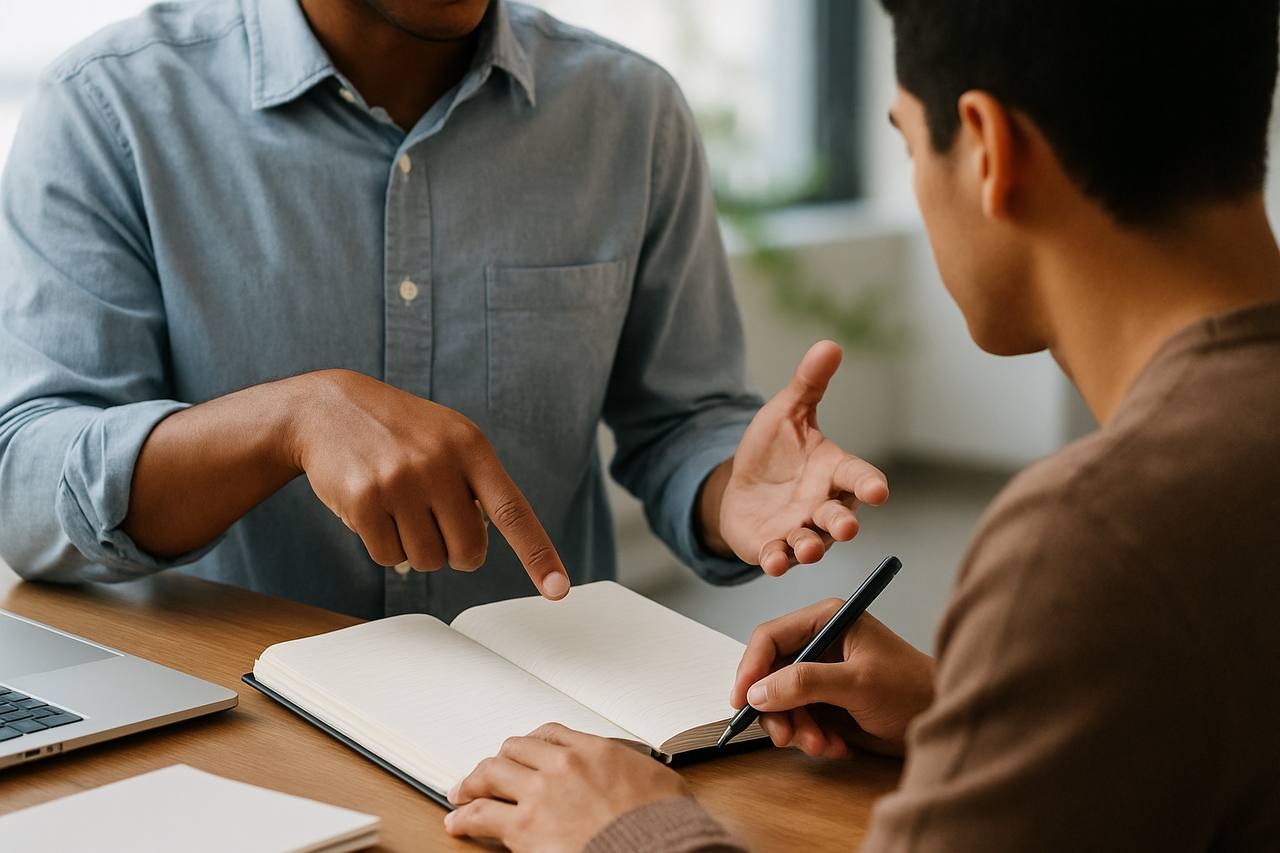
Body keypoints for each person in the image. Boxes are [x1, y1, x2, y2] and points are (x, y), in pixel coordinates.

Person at [442, 0, 1280, 849]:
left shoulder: (1092, 538)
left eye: (909, 141)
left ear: (989, 150)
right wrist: (976, 714)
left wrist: (628, 827)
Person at [0, 0, 888, 621]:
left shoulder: (631, 113)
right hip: (231, 737)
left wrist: (729, 488)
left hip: (532, 745)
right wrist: (287, 421)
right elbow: (25, 488)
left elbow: (680, 423)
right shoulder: (110, 109)